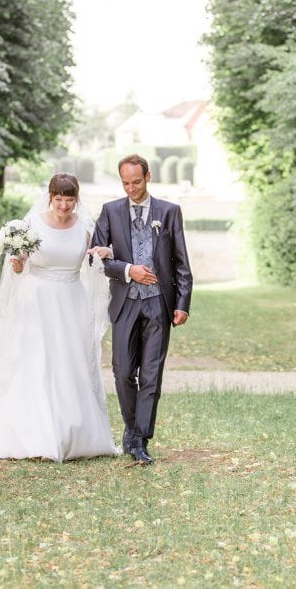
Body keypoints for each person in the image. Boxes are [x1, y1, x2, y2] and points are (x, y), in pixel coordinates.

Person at [0, 173, 118, 462]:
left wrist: (103, 253)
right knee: (37, 363)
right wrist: (17, 264)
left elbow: (99, 258)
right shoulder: (31, 225)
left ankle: (73, 434)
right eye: (59, 199)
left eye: (70, 199)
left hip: (71, 300)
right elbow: (19, 266)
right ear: (50, 196)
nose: (64, 205)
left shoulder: (85, 227)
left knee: (70, 363)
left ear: (76, 198)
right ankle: (35, 436)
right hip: (37, 300)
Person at [91, 154, 192, 465]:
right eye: (125, 183)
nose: (131, 188)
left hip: (158, 303)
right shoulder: (110, 211)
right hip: (125, 303)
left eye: (136, 181)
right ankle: (132, 427)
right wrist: (128, 269)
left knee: (151, 374)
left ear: (148, 177)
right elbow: (98, 258)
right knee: (122, 372)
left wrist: (182, 303)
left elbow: (181, 262)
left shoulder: (169, 212)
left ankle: (139, 439)